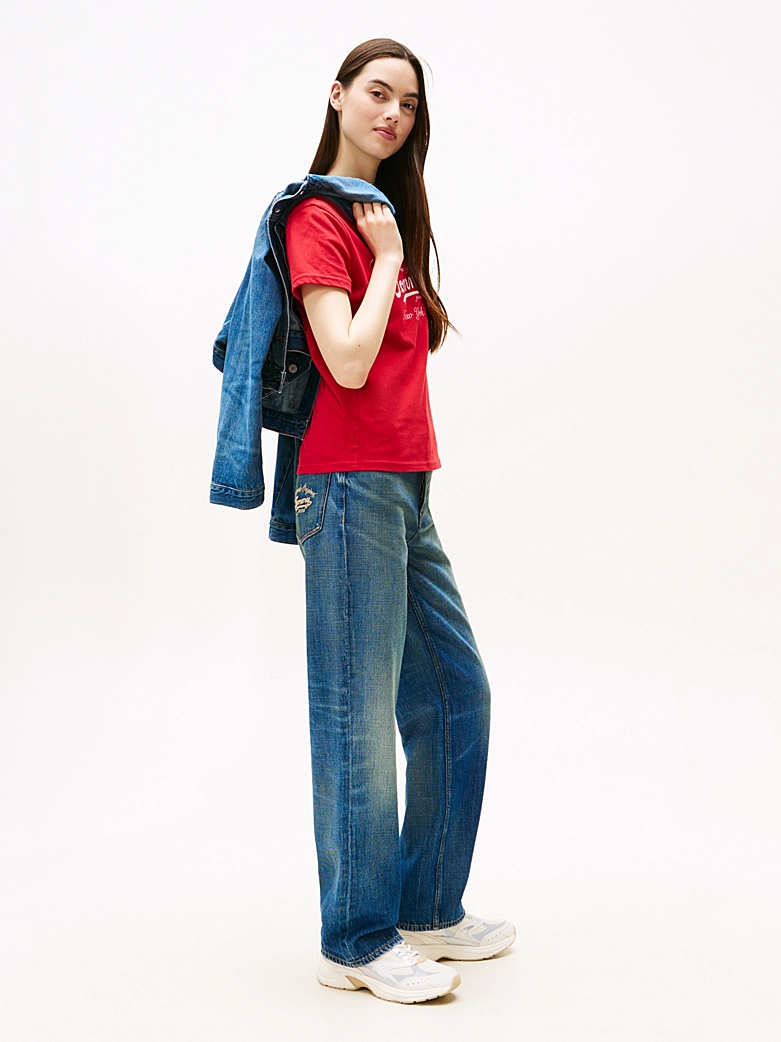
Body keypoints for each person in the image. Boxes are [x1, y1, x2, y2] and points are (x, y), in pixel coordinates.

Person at [283, 38, 515, 1004]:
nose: (392, 114)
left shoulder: (382, 219)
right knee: (357, 719)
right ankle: (355, 937)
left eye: (409, 104)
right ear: (338, 96)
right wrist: (384, 260)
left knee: (457, 697)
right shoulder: (317, 218)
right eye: (377, 93)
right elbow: (343, 358)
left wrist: (391, 248)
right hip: (345, 488)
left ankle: (424, 904)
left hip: (404, 488)